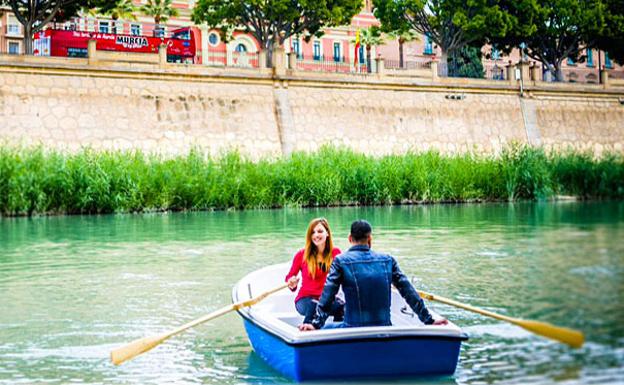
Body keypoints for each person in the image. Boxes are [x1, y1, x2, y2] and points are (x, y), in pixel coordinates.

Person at [299, 219, 448, 331]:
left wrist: (315, 325)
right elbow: (409, 291)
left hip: (352, 328)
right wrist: (428, 319)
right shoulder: (388, 260)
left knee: (325, 329)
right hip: (385, 328)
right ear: (370, 239)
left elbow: (327, 296)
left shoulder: (340, 261)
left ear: (350, 239)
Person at [285, 218, 345, 324]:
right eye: (313, 232)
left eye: (320, 231)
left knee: (341, 307)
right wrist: (291, 282)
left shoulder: (336, 253)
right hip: (305, 299)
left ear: (327, 233)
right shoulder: (301, 255)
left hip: (327, 299)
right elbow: (289, 278)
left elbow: (344, 276)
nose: (316, 235)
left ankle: (337, 333)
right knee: (313, 305)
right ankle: (306, 331)